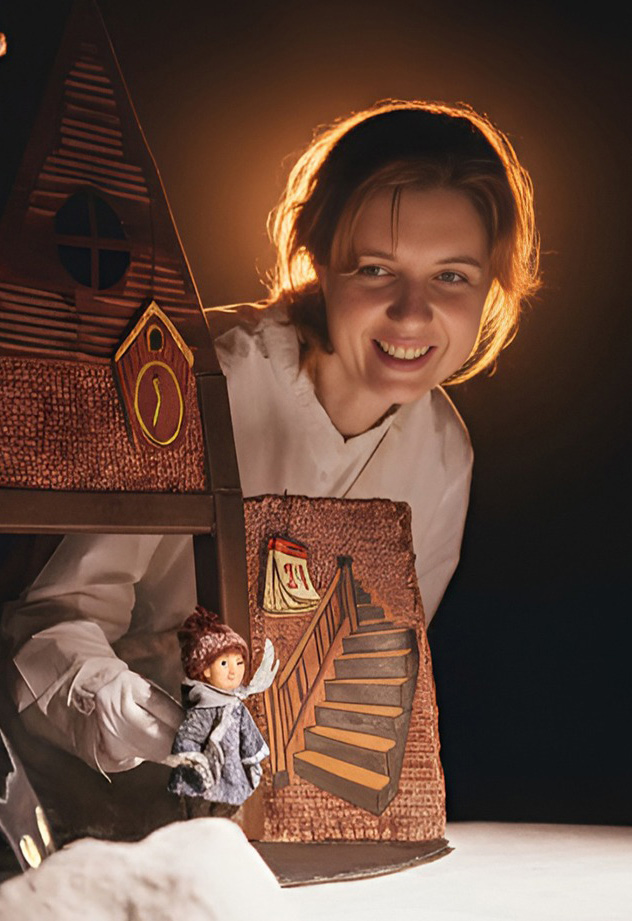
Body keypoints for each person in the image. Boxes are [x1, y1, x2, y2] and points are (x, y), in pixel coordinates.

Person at [1, 100, 539, 803]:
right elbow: (49, 628)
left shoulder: (443, 457)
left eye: (452, 276)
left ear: (493, 283)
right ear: (318, 256)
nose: (412, 312)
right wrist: (162, 730)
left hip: (270, 822)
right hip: (70, 798)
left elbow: (372, 684)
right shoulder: (191, 385)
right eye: (376, 269)